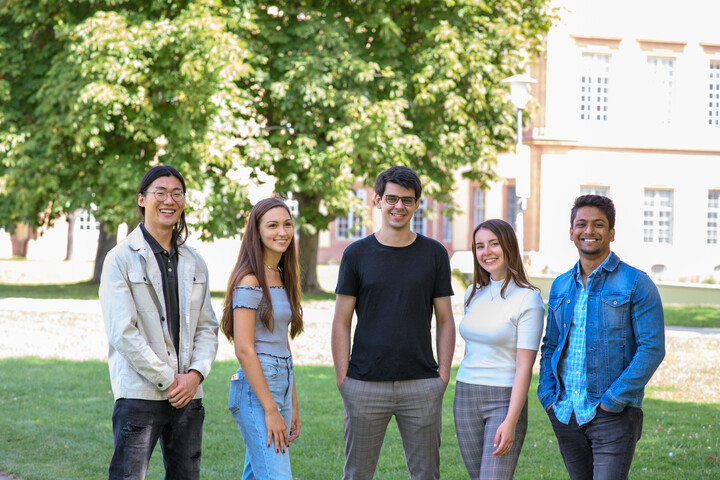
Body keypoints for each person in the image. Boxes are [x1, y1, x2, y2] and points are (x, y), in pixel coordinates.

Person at [331, 165, 456, 480]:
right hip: (363, 383)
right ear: (377, 200)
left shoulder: (435, 254)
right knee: (357, 473)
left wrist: (441, 376)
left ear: (416, 204)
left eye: (407, 200)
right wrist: (343, 378)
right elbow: (341, 321)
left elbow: (445, 319)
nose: (399, 206)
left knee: (427, 474)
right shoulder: (356, 254)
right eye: (392, 199)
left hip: (421, 384)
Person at [100, 165, 219, 480]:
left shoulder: (194, 261)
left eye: (177, 193)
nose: (170, 200)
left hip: (189, 397)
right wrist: (169, 380)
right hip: (140, 393)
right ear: (141, 199)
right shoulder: (120, 258)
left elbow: (208, 326)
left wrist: (194, 376)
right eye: (160, 192)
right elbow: (123, 334)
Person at [537, 194, 665, 480]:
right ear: (571, 232)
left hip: (613, 414)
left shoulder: (636, 283)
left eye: (599, 224)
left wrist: (613, 400)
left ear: (612, 232)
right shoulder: (560, 286)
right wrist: (548, 394)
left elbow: (652, 349)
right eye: (581, 224)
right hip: (565, 412)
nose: (589, 231)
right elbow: (551, 346)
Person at [453, 219, 545, 479]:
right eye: (479, 246)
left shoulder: (528, 299)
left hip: (503, 400)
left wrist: (511, 420)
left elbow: (524, 366)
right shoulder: (472, 293)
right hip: (465, 397)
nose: (486, 252)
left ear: (509, 247)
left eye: (494, 244)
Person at [221, 197, 304, 479]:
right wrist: (271, 409)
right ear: (257, 232)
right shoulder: (250, 280)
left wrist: (291, 402)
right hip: (256, 391)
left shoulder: (281, 274)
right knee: (276, 475)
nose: (282, 232)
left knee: (257, 474)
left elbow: (282, 340)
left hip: (281, 381)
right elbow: (244, 349)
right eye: (272, 226)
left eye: (287, 224)